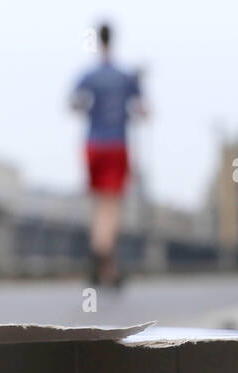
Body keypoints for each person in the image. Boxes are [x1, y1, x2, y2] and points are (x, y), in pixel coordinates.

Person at [70, 22, 145, 287]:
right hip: (116, 144)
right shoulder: (125, 77)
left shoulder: (88, 76)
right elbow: (143, 111)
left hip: (92, 144)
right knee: (112, 207)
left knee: (98, 205)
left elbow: (74, 104)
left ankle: (105, 268)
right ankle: (102, 252)